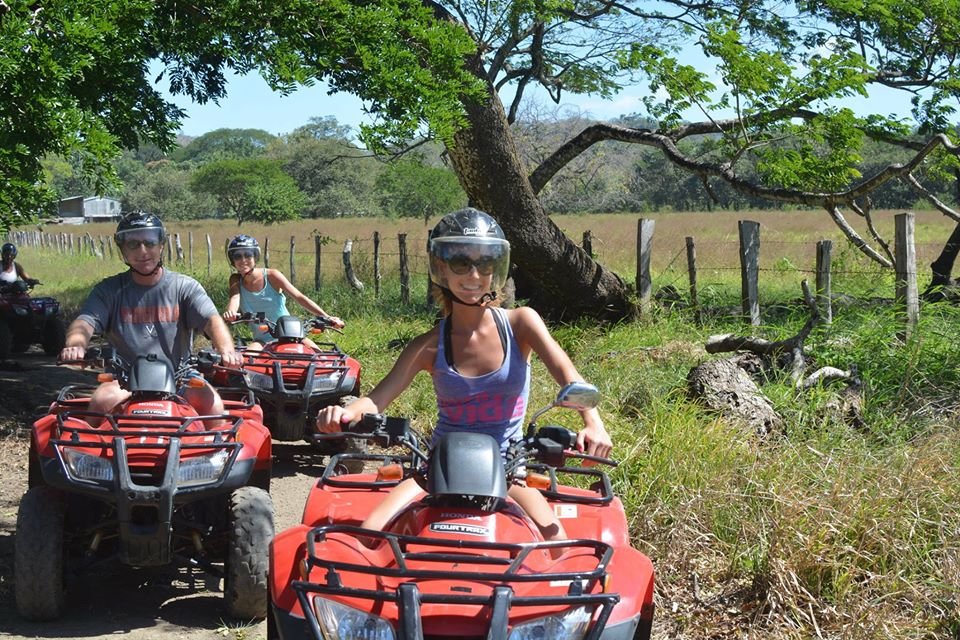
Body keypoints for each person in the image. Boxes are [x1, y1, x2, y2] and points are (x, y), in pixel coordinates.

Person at [315, 207, 611, 549]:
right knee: (368, 537)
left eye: (485, 263)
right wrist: (344, 413)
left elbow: (569, 377)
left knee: (556, 546)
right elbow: (377, 399)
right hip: (435, 470)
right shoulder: (426, 346)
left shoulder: (520, 324)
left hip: (508, 467)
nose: (474, 274)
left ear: (496, 268)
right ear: (441, 267)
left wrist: (593, 422)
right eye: (461, 263)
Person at [60, 212, 243, 419]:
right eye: (133, 244)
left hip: (180, 375)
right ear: (123, 250)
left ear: (161, 245)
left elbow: (212, 321)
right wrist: (76, 345)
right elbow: (85, 321)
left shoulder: (184, 287)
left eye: (150, 242)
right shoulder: (108, 290)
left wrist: (227, 350)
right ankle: (94, 451)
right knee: (101, 402)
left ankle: (212, 452)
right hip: (123, 378)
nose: (143, 251)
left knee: (212, 406)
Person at [222, 234, 344, 350]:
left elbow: (299, 297)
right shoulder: (235, 279)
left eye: (248, 255)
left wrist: (327, 317)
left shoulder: (271, 275)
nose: (243, 260)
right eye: (237, 256)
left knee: (318, 358)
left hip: (292, 335)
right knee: (247, 361)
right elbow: (234, 298)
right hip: (261, 340)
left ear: (255, 256)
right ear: (232, 260)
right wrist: (231, 313)